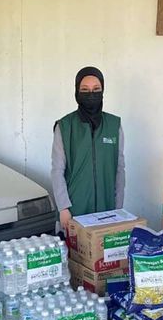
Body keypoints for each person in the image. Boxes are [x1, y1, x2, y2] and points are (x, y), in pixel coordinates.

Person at [51, 66, 125, 231]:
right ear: (77, 92)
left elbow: (119, 169)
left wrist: (118, 208)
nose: (91, 94)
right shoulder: (64, 126)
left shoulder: (114, 125)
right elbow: (57, 170)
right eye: (85, 90)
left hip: (107, 212)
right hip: (74, 211)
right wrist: (63, 208)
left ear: (102, 91)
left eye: (96, 89)